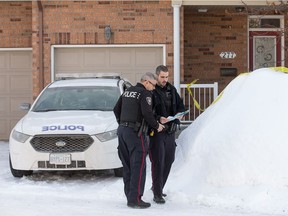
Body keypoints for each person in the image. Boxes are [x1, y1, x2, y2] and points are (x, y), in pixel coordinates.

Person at [113, 72, 165, 209]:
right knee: (139, 166)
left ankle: (130, 196)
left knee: (128, 165)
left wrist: (123, 123)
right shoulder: (144, 94)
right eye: (153, 85)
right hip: (135, 134)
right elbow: (147, 113)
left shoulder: (127, 91)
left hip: (122, 132)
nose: (154, 88)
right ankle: (135, 199)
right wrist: (157, 125)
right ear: (146, 82)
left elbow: (115, 109)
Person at [149, 65, 186, 204]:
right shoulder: (152, 91)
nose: (165, 80)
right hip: (158, 132)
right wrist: (159, 119)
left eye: (166, 77)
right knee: (158, 161)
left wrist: (180, 114)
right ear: (157, 76)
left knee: (169, 160)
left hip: (170, 131)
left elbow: (181, 105)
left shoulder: (172, 89)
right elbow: (148, 112)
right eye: (162, 77)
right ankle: (157, 193)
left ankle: (157, 187)